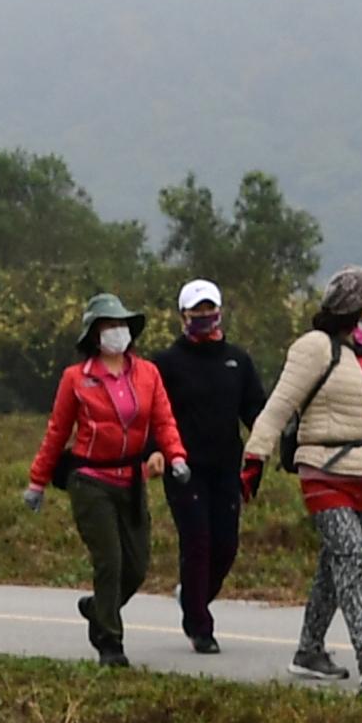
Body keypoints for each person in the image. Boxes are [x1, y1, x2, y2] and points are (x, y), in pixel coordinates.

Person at [253, 265, 362, 688]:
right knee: (352, 555)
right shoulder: (315, 348)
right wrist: (255, 455)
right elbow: (279, 404)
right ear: (359, 306)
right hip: (322, 468)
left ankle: (308, 651)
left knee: (334, 565)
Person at [23, 293, 193, 668]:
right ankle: (110, 643)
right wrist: (37, 482)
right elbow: (57, 432)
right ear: (94, 335)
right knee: (110, 561)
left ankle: (98, 608)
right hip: (90, 481)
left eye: (121, 325)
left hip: (132, 480)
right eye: (108, 326)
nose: (116, 332)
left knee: (137, 565)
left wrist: (176, 455)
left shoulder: (147, 373)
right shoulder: (76, 379)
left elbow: (163, 420)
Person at [152, 278, 267, 654]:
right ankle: (200, 626)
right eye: (196, 311)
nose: (204, 317)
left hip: (225, 467)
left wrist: (268, 445)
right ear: (182, 315)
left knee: (226, 545)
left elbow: (256, 411)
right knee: (197, 542)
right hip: (184, 467)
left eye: (209, 309)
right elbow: (154, 414)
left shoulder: (238, 360)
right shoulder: (167, 363)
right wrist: (154, 452)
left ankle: (193, 596)